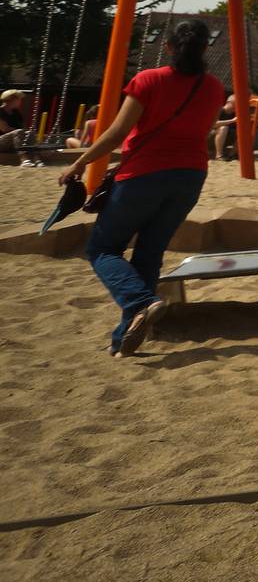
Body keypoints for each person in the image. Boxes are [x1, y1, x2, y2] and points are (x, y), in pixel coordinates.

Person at [59, 18, 225, 357]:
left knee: (102, 249)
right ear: (206, 49)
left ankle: (139, 302)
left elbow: (118, 133)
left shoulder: (148, 80)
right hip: (191, 176)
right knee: (149, 254)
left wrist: (80, 162)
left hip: (143, 175)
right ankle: (125, 337)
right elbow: (206, 131)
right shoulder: (214, 88)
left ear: (167, 48)